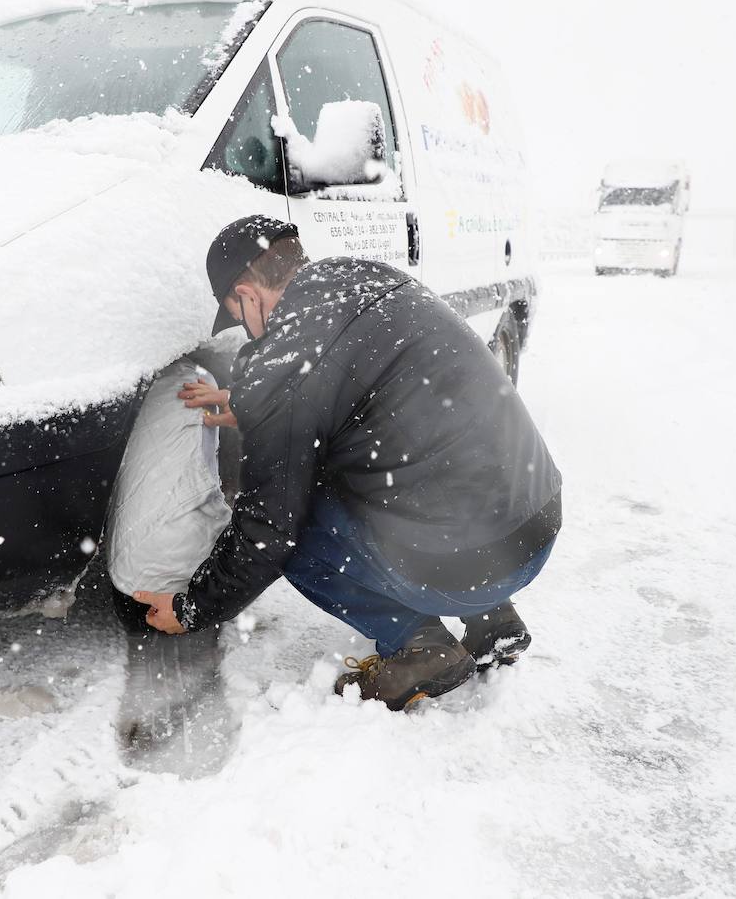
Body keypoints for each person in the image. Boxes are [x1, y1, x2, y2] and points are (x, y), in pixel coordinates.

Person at [132, 215, 562, 710]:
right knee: (413, 464)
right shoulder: (364, 275)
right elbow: (339, 371)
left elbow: (268, 531)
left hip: (463, 565)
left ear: (248, 294)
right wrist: (253, 402)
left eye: (237, 316)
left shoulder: (289, 367)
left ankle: (419, 645)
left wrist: (190, 608)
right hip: (533, 526)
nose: (244, 330)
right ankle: (493, 619)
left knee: (295, 520)